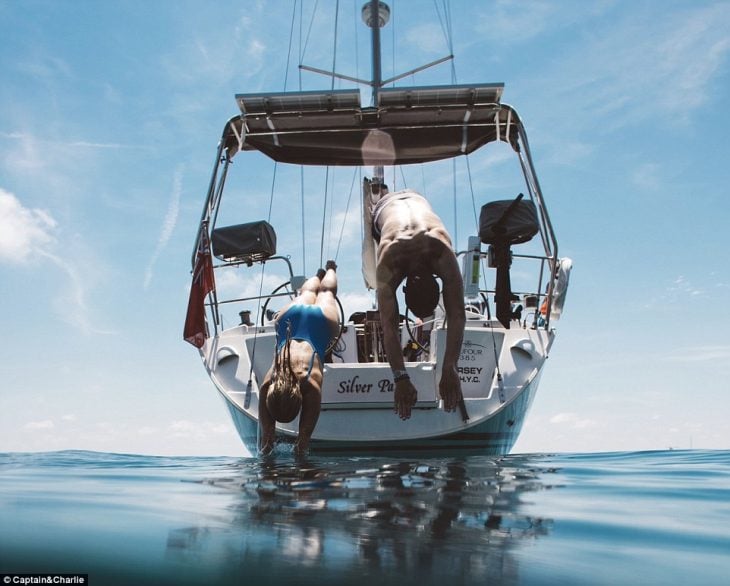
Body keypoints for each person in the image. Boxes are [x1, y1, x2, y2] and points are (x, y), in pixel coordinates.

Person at [363, 180, 466, 421]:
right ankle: (381, 194)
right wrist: (449, 367)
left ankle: (382, 192)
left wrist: (402, 377)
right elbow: (457, 315)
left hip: (417, 200)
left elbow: (389, 327)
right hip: (387, 210)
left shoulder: (394, 261)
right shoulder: (441, 255)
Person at [259, 261, 340, 455]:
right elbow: (268, 439)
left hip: (321, 324)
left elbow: (301, 442)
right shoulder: (269, 383)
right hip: (289, 319)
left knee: (327, 292)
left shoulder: (311, 384)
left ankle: (329, 270)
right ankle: (324, 271)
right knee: (308, 294)